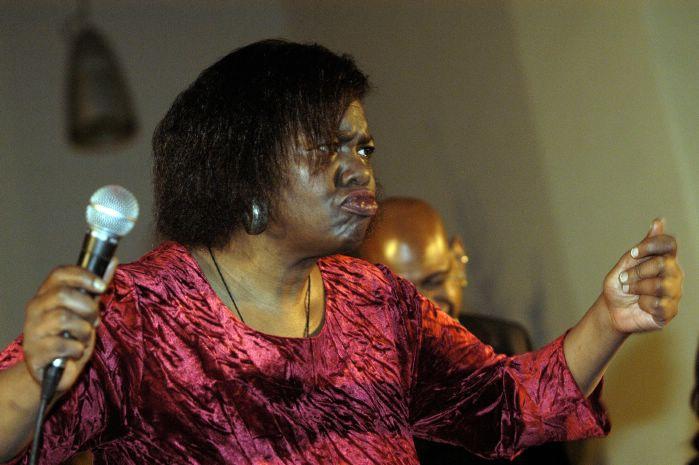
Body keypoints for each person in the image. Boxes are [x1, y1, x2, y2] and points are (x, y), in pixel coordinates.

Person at [0, 39, 684, 465]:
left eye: (364, 146)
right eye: (328, 147)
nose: (359, 168)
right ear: (244, 172)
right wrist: (36, 376)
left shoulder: (376, 301)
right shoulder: (136, 316)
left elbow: (507, 407)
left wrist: (609, 318)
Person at [358, 197, 570, 464]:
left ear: (457, 260)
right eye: (401, 296)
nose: (425, 308)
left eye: (434, 281)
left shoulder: (507, 344)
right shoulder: (359, 388)